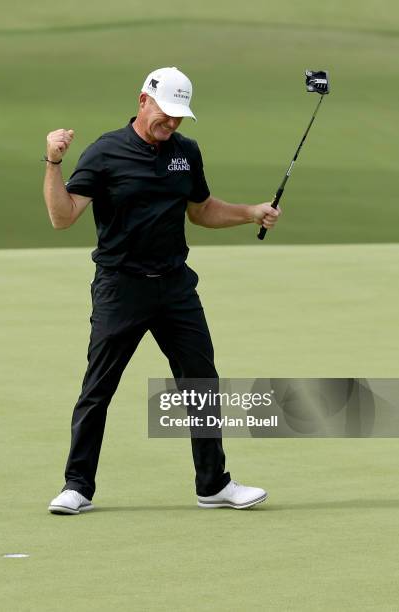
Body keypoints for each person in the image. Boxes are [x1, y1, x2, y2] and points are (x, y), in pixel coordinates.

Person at [43, 67, 280, 515]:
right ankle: (77, 486)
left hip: (175, 289)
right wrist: (53, 163)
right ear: (142, 101)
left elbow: (203, 210)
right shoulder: (105, 152)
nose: (170, 124)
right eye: (166, 114)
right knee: (99, 388)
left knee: (202, 385)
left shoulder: (186, 153)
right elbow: (63, 216)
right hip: (120, 288)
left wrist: (251, 212)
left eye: (178, 117)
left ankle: (213, 485)